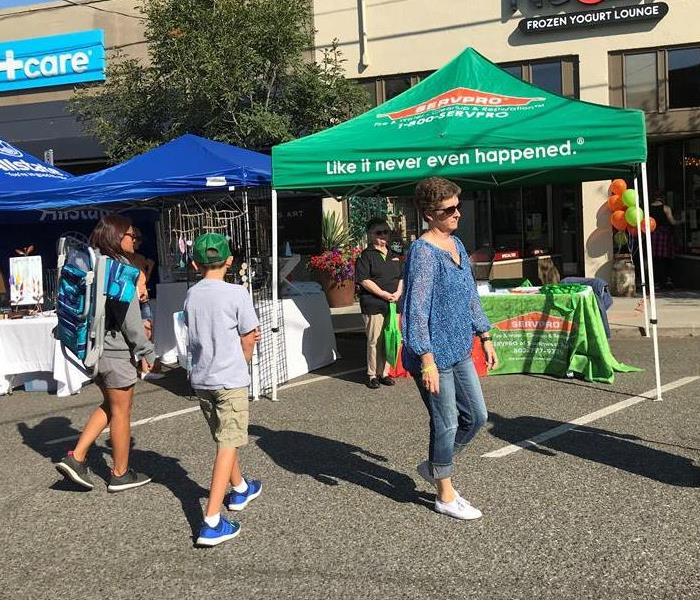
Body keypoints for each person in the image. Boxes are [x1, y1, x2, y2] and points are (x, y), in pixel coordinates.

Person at [402, 177, 499, 521]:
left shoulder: (456, 244)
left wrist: (485, 336)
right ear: (429, 214)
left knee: (477, 417)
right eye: (449, 210)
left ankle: (435, 465)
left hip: (459, 348)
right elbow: (416, 308)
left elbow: (471, 295)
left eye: (458, 206)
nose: (458, 213)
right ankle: (444, 493)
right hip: (432, 355)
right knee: (445, 423)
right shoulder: (423, 252)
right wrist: (426, 360)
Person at [55, 215, 156, 492]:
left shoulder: (92, 262)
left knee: (111, 405)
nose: (136, 241)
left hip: (91, 349)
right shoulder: (119, 268)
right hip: (114, 351)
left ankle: (76, 457)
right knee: (122, 411)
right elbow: (130, 319)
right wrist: (146, 349)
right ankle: (120, 473)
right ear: (116, 236)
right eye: (132, 236)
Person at [185, 232, 262, 547]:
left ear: (194, 264)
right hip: (230, 379)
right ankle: (211, 520)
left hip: (202, 379)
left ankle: (241, 487)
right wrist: (243, 361)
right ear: (230, 260)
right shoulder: (237, 293)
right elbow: (249, 335)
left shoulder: (191, 295)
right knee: (228, 443)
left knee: (223, 436)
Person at [355, 218, 404, 389]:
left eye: (386, 232)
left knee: (391, 338)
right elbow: (364, 280)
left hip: (394, 303)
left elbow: (401, 277)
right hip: (374, 303)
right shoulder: (365, 256)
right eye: (378, 232)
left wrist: (397, 293)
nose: (383, 236)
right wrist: (383, 294)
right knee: (374, 340)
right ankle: (372, 374)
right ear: (370, 235)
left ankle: (385, 373)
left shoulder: (394, 254)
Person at [649, 191, 682, 290]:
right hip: (664, 235)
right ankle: (664, 281)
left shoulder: (648, 207)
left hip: (653, 234)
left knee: (655, 259)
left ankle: (656, 281)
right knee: (665, 259)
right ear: (662, 198)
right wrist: (681, 221)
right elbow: (672, 221)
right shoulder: (666, 208)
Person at [128, 227, 156, 340]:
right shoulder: (123, 259)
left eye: (139, 239)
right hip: (131, 300)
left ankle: (147, 356)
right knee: (133, 332)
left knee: (148, 329)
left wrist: (148, 271)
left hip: (143, 299)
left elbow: (145, 276)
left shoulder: (140, 258)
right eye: (136, 239)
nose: (138, 242)